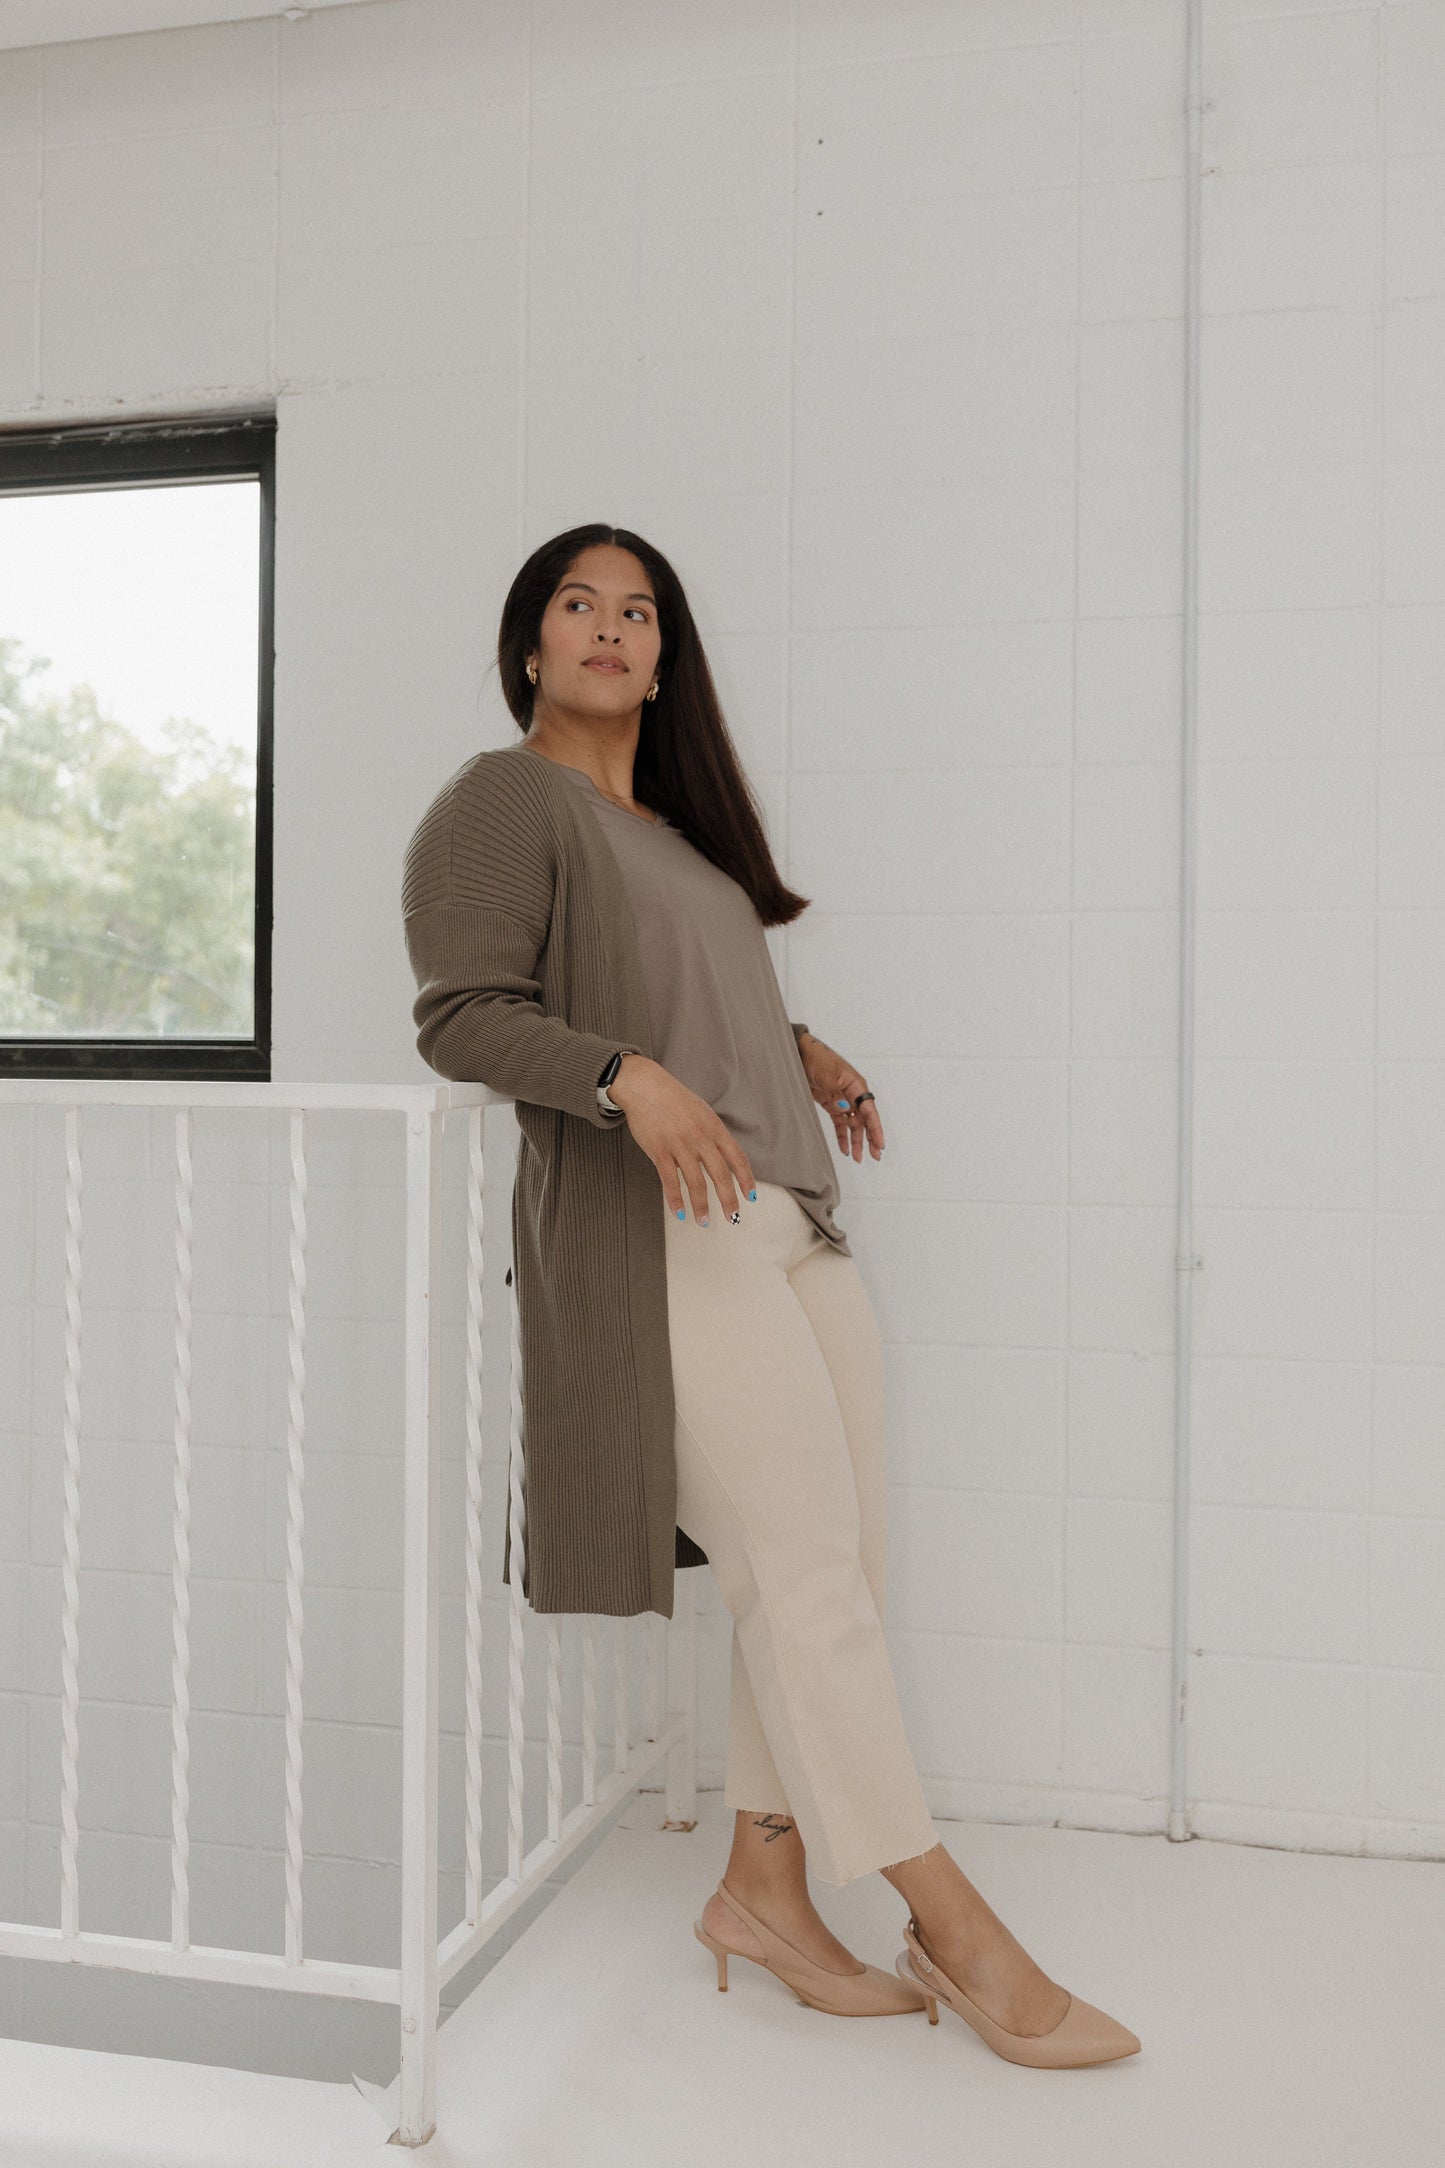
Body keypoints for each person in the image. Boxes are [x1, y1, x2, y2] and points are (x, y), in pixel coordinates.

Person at [402, 523, 1140, 2066]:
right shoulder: (499, 800)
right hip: (660, 1232)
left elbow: (673, 975)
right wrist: (620, 1075)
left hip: (787, 1214)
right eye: (576, 604)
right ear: (528, 647)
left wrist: (786, 1047)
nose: (610, 627)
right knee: (800, 1577)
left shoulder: (673, 832)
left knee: (833, 1576)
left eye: (639, 611)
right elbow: (467, 1016)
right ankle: (952, 1923)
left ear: (663, 657)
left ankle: (762, 1883)